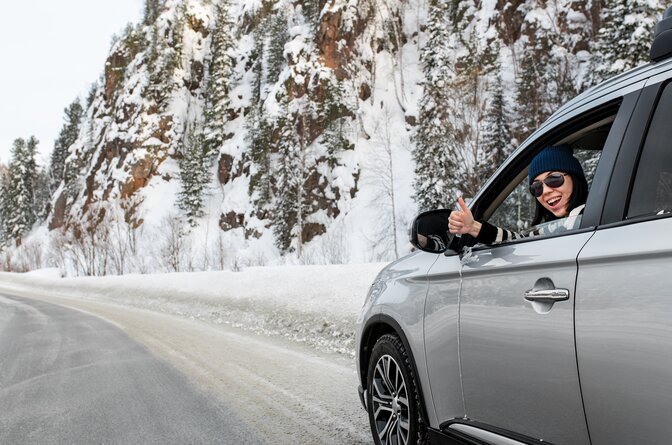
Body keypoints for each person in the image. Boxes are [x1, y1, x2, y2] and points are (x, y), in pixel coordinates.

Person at [449, 144, 588, 245]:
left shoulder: (587, 216)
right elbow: (518, 242)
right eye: (537, 187)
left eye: (554, 179)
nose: (545, 191)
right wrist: (473, 227)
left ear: (575, 178)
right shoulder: (554, 227)